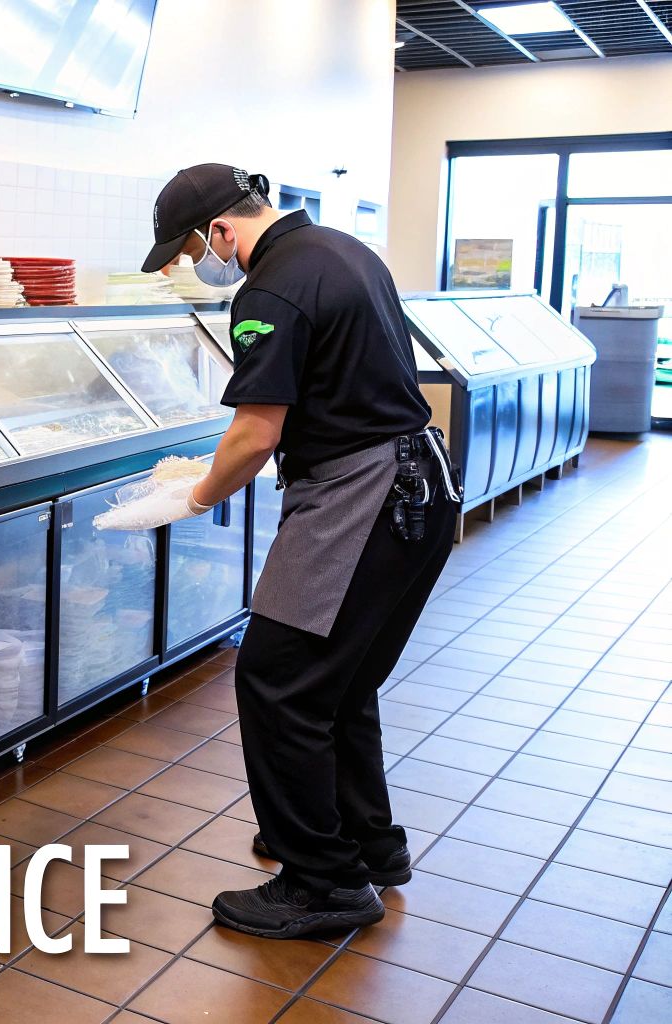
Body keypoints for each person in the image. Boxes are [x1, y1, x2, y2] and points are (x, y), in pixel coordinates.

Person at [110, 163, 461, 939]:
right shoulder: (344, 249)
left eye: (192, 247)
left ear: (222, 231)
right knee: (341, 679)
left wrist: (195, 496)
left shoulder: (266, 292)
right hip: (419, 487)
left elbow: (255, 432)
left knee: (277, 679)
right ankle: (364, 843)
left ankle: (324, 882)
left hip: (361, 496)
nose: (197, 260)